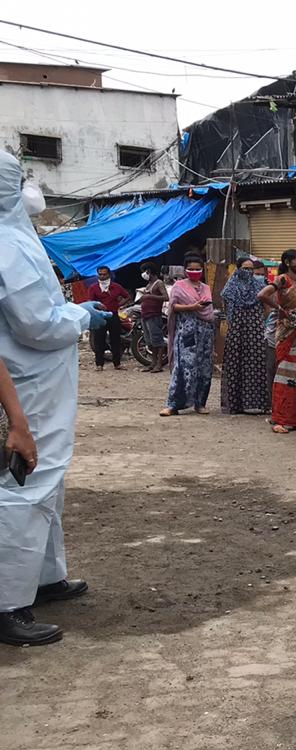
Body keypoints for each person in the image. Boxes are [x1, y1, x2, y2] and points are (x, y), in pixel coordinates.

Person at [0, 152, 109, 646]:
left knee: (49, 481)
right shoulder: (7, 244)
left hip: (41, 380)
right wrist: (82, 316)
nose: (32, 188)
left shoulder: (18, 236)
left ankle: (44, 577)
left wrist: (73, 309)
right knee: (25, 484)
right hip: (28, 384)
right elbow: (37, 324)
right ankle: (8, 602)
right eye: (22, 179)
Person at [260, 249, 296, 434]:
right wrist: (281, 310)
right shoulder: (283, 280)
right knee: (285, 376)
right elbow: (262, 295)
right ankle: (280, 418)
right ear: (287, 262)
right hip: (288, 333)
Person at [161, 254, 216, 417]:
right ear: (185, 270)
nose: (194, 272)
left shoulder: (206, 287)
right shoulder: (179, 286)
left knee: (204, 368)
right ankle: (173, 405)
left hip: (205, 333)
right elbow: (173, 307)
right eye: (191, 269)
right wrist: (192, 307)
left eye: (197, 269)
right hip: (187, 332)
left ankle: (200, 403)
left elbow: (209, 310)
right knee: (184, 367)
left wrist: (200, 308)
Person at [219, 257, 270, 414]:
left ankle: (257, 404)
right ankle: (236, 404)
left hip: (255, 331)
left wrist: (258, 322)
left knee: (256, 363)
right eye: (245, 269)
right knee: (236, 363)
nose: (248, 272)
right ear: (238, 269)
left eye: (251, 269)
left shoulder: (259, 286)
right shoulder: (230, 288)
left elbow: (266, 308)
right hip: (237, 331)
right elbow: (226, 308)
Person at [86, 265, 132, 371]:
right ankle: (99, 364)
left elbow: (127, 296)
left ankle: (117, 363)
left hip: (113, 315)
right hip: (100, 316)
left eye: (104, 274)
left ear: (109, 274)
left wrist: (119, 305)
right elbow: (90, 302)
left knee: (115, 339)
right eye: (100, 274)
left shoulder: (116, 287)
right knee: (98, 340)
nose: (102, 276)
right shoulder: (93, 288)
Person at [138, 262, 168, 374]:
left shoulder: (158, 283)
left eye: (144, 271)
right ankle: (153, 363)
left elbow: (166, 297)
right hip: (145, 315)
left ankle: (159, 364)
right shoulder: (149, 284)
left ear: (149, 271)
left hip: (154, 315)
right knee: (150, 341)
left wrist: (149, 296)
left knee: (157, 341)